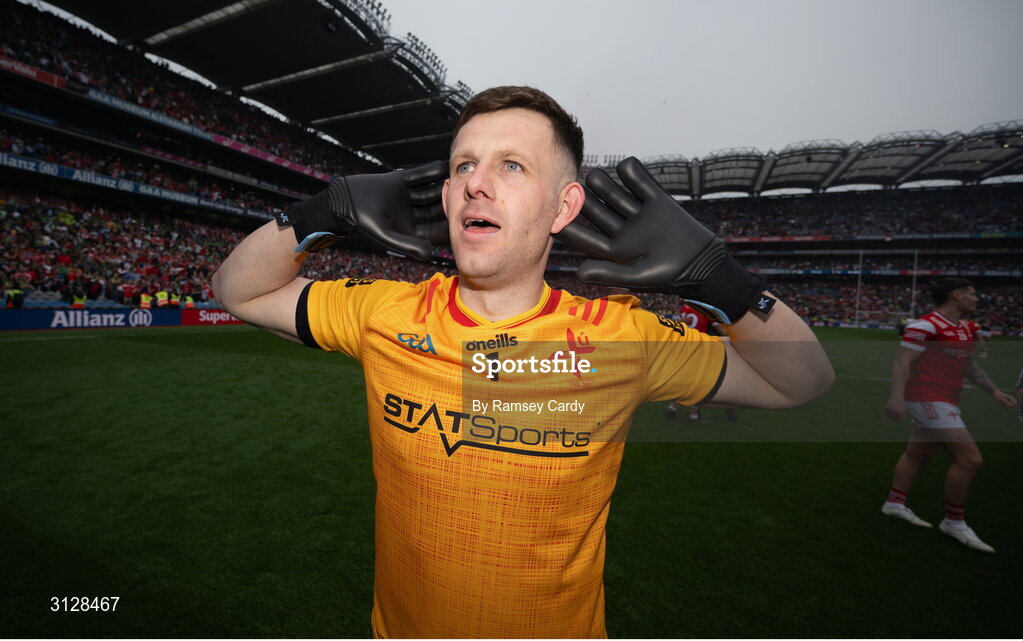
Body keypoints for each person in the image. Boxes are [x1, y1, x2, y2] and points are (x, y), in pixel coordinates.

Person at [212, 86, 833, 638]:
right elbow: (237, 290)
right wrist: (322, 214)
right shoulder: (386, 312)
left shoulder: (618, 338)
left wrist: (721, 280)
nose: (479, 181)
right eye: (465, 166)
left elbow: (801, 382)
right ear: (449, 196)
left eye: (512, 165)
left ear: (564, 208)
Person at [881, 278, 1017, 553]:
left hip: (946, 400)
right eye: (972, 293)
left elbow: (968, 365)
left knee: (919, 454)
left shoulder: (964, 328)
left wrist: (995, 392)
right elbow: (902, 359)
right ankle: (954, 522)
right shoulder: (926, 325)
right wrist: (896, 398)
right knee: (970, 459)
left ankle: (894, 503)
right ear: (956, 295)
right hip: (927, 399)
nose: (976, 299)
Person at [667, 303, 738, 422]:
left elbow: (679, 324)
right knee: (703, 382)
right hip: (700, 350)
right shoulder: (706, 311)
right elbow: (721, 330)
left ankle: (672, 407)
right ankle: (694, 413)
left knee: (684, 381)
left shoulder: (686, 308)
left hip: (685, 349)